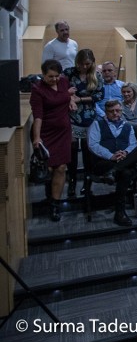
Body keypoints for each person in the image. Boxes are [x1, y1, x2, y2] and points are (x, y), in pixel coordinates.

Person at [88, 99, 137, 226]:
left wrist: (125, 153)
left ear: (121, 111)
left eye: (118, 111)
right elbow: (92, 145)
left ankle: (119, 211)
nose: (115, 114)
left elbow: (132, 144)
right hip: (104, 162)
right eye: (111, 112)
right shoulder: (97, 124)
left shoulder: (127, 126)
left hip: (122, 160)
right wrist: (111, 156)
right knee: (126, 172)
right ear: (106, 112)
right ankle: (119, 212)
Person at [30, 59, 74, 222]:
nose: (55, 79)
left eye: (57, 76)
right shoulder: (37, 89)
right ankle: (49, 197)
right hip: (46, 132)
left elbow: (66, 96)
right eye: (50, 76)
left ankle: (55, 205)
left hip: (63, 132)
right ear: (43, 75)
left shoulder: (63, 81)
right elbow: (38, 116)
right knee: (49, 169)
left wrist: (70, 100)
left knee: (61, 167)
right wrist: (37, 137)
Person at [64, 48, 104, 198]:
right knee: (72, 149)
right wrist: (68, 97)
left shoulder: (96, 75)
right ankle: (72, 181)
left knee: (88, 151)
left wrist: (80, 99)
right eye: (81, 64)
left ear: (92, 62)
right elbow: (60, 90)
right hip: (71, 115)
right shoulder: (69, 73)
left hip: (89, 115)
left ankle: (87, 183)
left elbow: (99, 95)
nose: (83, 67)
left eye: (87, 64)